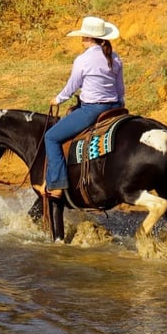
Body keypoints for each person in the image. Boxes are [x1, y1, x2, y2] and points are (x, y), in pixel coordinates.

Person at [43, 15, 125, 197]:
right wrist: (121, 106)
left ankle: (56, 185)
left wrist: (58, 99)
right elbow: (120, 89)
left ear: (88, 38)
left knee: (51, 137)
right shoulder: (115, 57)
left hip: (92, 110)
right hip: (116, 107)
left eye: (83, 36)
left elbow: (72, 86)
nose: (81, 40)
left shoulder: (83, 60)